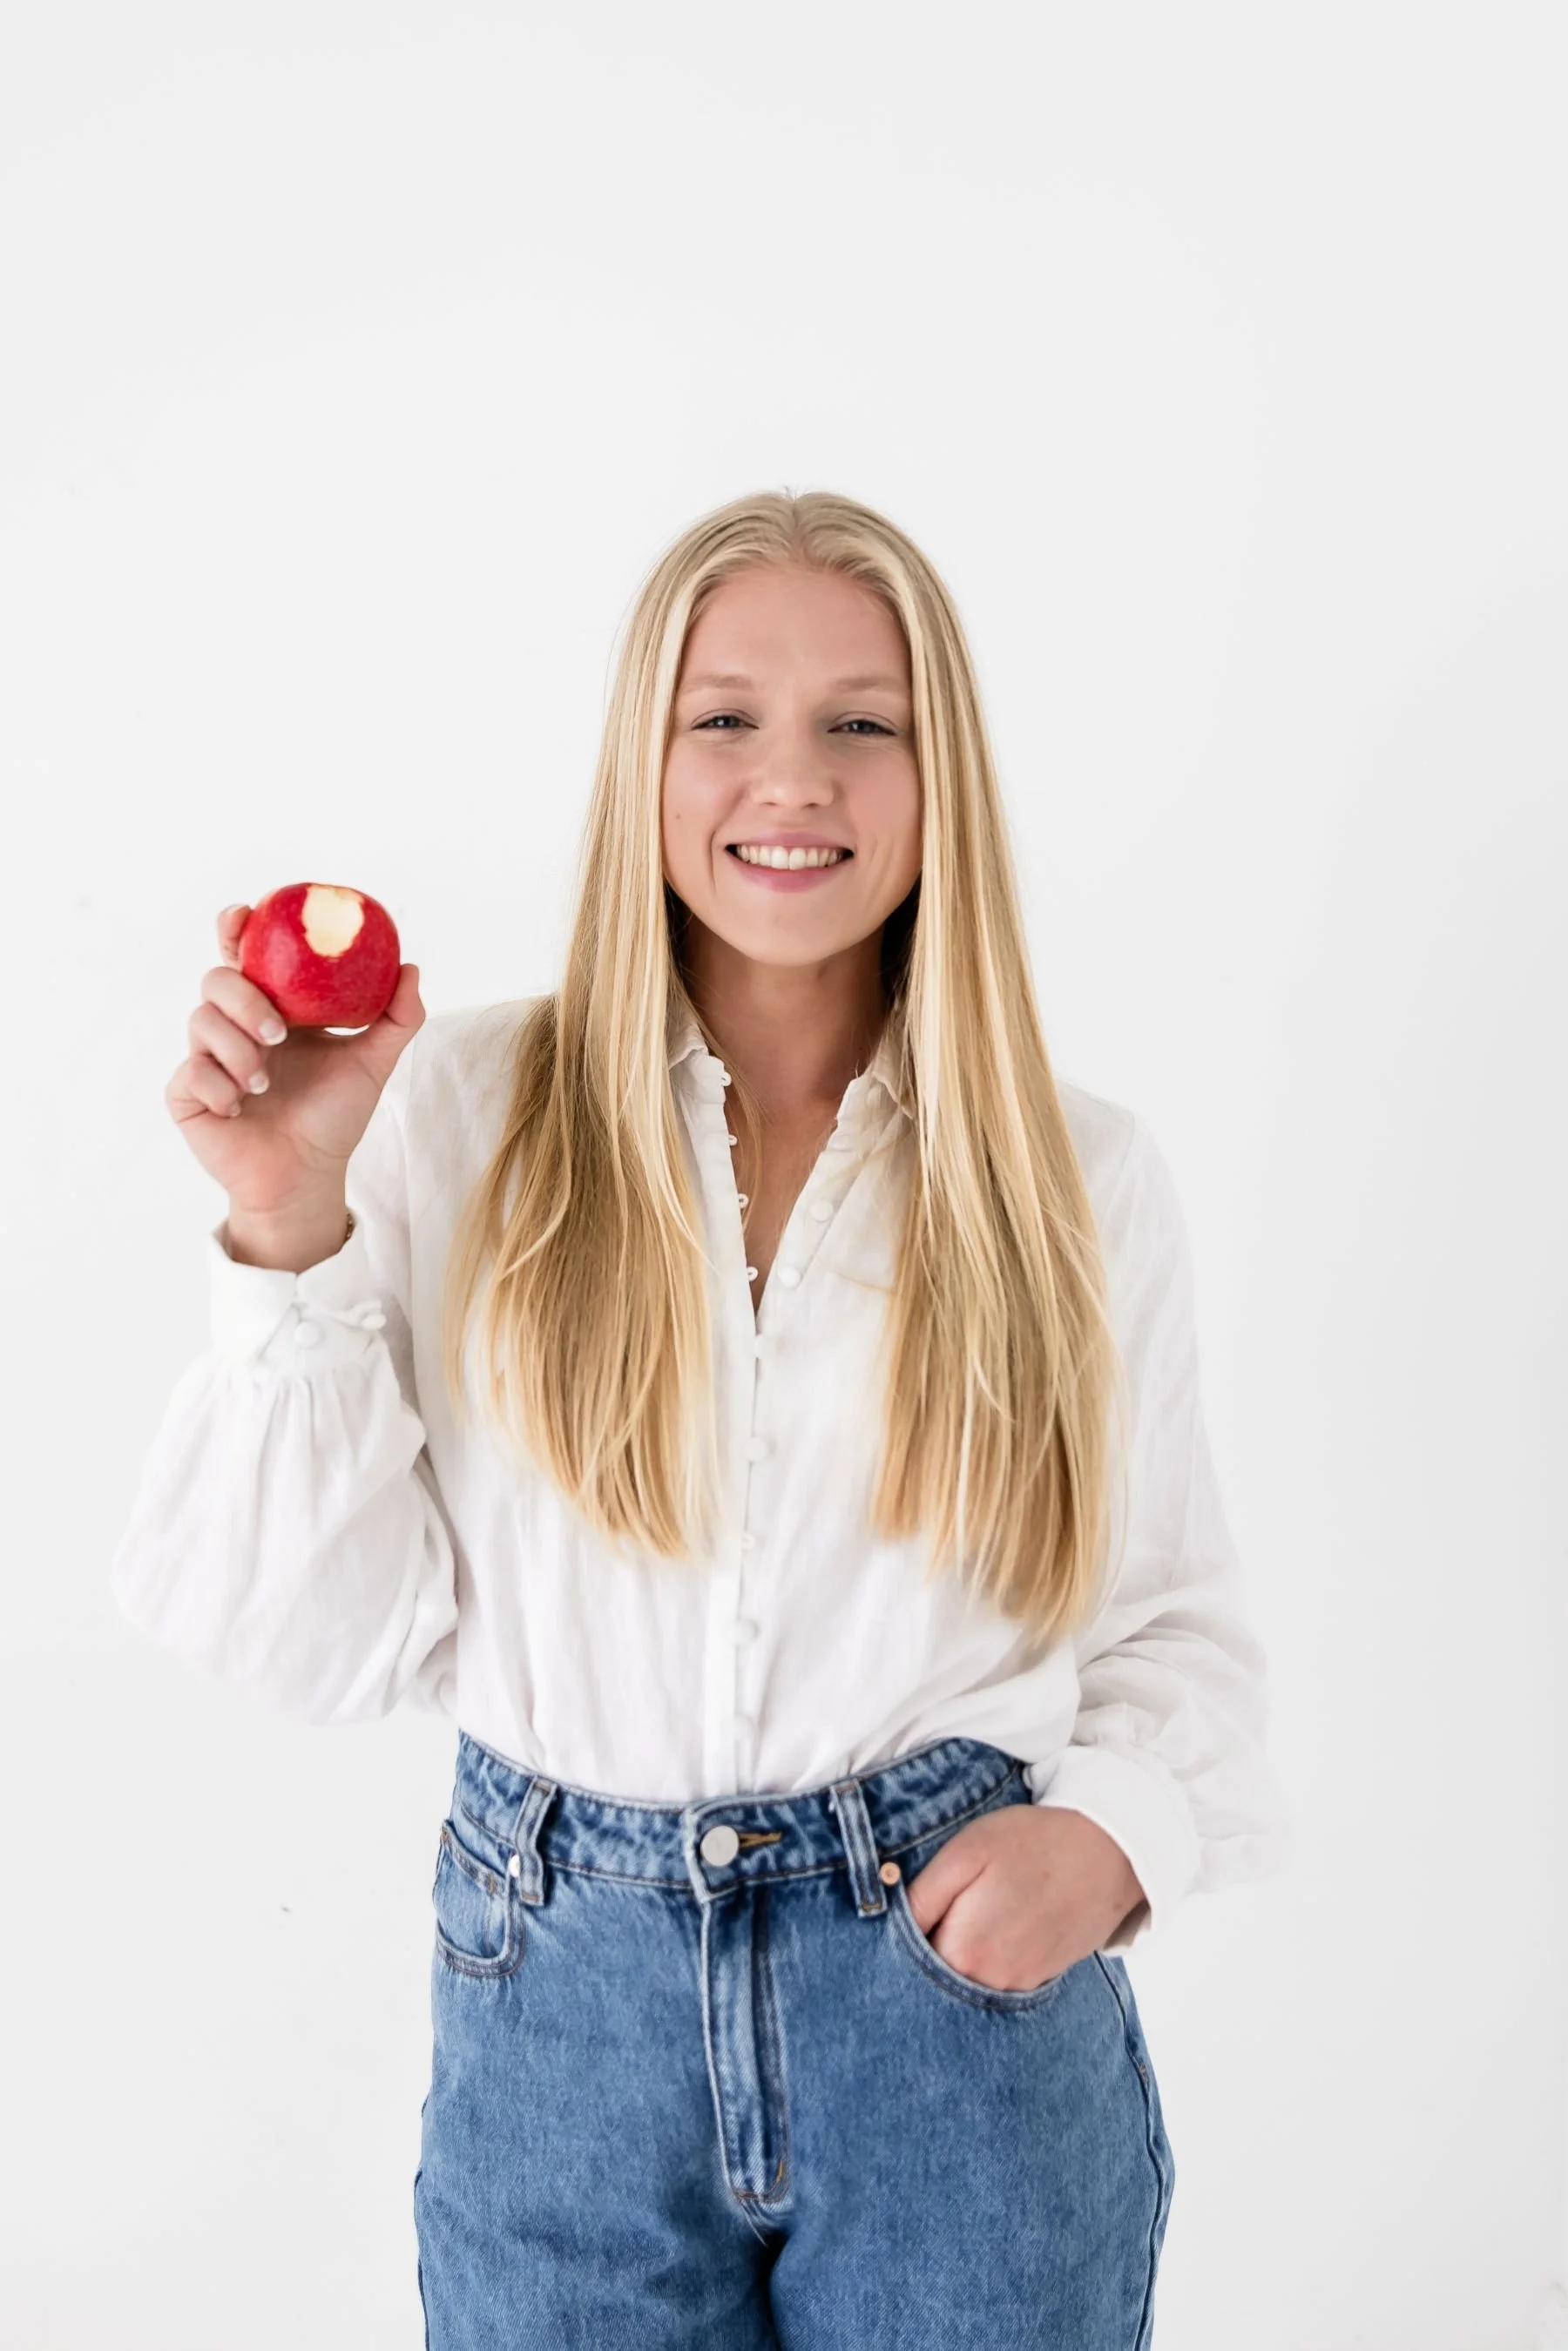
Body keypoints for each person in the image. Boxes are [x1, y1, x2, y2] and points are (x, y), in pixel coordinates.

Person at [111, 487, 1292, 2348]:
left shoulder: (1080, 1176)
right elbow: (316, 1641)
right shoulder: (467, 1116)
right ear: (641, 761)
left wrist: (1113, 1832)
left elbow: (1175, 1623)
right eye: (723, 716)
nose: (791, 777)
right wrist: (284, 1217)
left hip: (954, 2023)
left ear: (939, 772)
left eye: (861, 722)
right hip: (557, 2016)